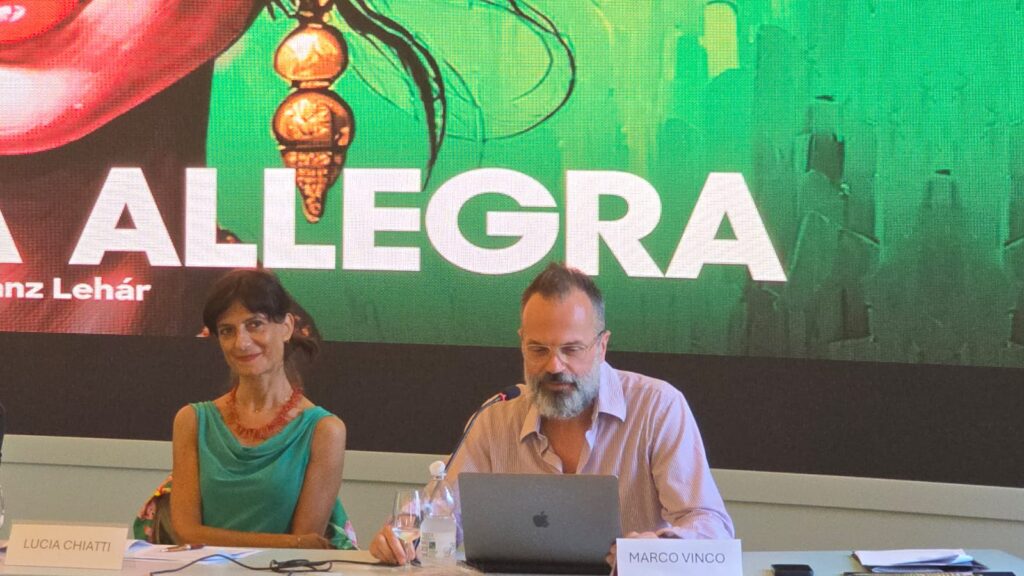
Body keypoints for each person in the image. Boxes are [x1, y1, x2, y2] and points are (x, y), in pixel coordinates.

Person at [369, 262, 735, 565]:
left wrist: (658, 549)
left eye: (571, 350)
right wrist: (401, 538)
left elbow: (711, 527)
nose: (554, 366)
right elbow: (441, 516)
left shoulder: (658, 406)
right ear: (521, 344)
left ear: (602, 346)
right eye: (538, 350)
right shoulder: (495, 417)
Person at [169, 268, 356, 548]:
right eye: (227, 331)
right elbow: (185, 532)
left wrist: (290, 544)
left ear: (287, 327)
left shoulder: (325, 430)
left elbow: (306, 548)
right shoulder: (192, 420)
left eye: (255, 324)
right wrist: (286, 542)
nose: (241, 342)